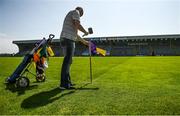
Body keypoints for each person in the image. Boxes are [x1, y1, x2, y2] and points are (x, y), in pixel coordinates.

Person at [59, 7, 89, 89]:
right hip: (68, 39)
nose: (81, 16)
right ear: (81, 11)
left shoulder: (71, 15)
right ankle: (64, 84)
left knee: (68, 61)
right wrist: (85, 32)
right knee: (67, 61)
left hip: (65, 38)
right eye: (81, 15)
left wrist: (84, 42)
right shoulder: (76, 12)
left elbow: (76, 33)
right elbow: (78, 24)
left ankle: (68, 82)